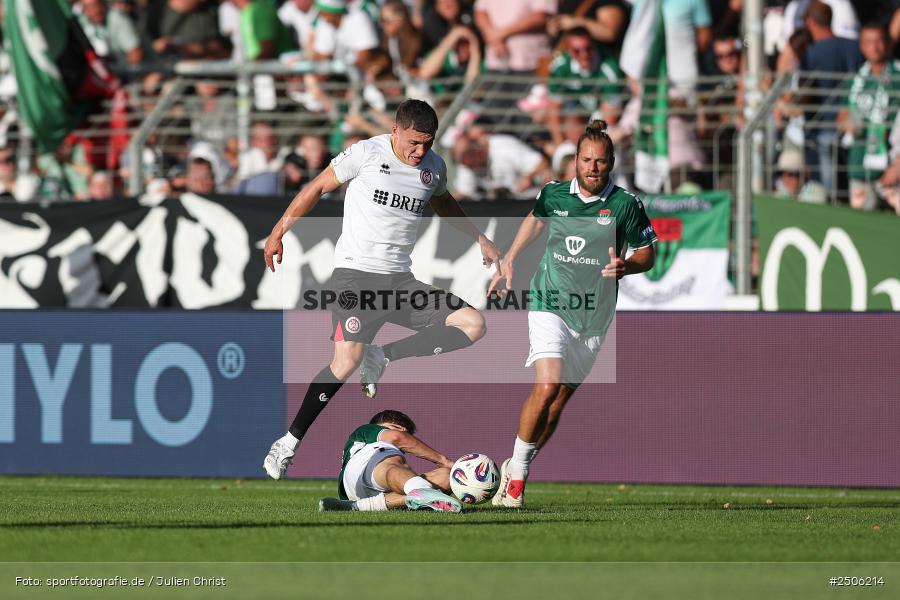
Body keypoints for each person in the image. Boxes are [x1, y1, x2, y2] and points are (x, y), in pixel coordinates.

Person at [262, 99, 500, 480]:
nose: (420, 151)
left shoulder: (434, 167)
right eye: (414, 143)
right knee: (345, 362)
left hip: (400, 282)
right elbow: (318, 186)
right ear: (395, 131)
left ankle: (384, 355)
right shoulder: (366, 153)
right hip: (356, 278)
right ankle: (288, 442)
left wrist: (480, 239)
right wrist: (278, 232)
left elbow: (444, 203)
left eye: (428, 143)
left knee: (473, 324)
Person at [487, 120, 657, 507]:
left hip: (594, 316)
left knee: (559, 400)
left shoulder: (626, 205)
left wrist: (627, 266)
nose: (592, 167)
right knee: (546, 387)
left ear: (611, 162)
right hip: (550, 302)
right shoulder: (554, 195)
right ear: (575, 162)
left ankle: (515, 462)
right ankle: (517, 479)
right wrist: (511, 257)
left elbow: (648, 253)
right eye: (585, 160)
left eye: (600, 161)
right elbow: (536, 217)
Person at [318, 410, 462, 512]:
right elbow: (396, 438)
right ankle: (420, 490)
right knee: (390, 461)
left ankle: (355, 507)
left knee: (447, 477)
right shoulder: (366, 431)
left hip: (354, 493)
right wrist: (444, 460)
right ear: (399, 428)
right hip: (363, 471)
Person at [837, 23, 900, 211]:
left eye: (879, 41)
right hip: (859, 165)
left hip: (891, 166)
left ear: (887, 44)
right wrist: (847, 124)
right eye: (869, 42)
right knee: (862, 226)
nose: (875, 46)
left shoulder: (897, 75)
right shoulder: (855, 79)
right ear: (862, 46)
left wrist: (897, 165)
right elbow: (841, 117)